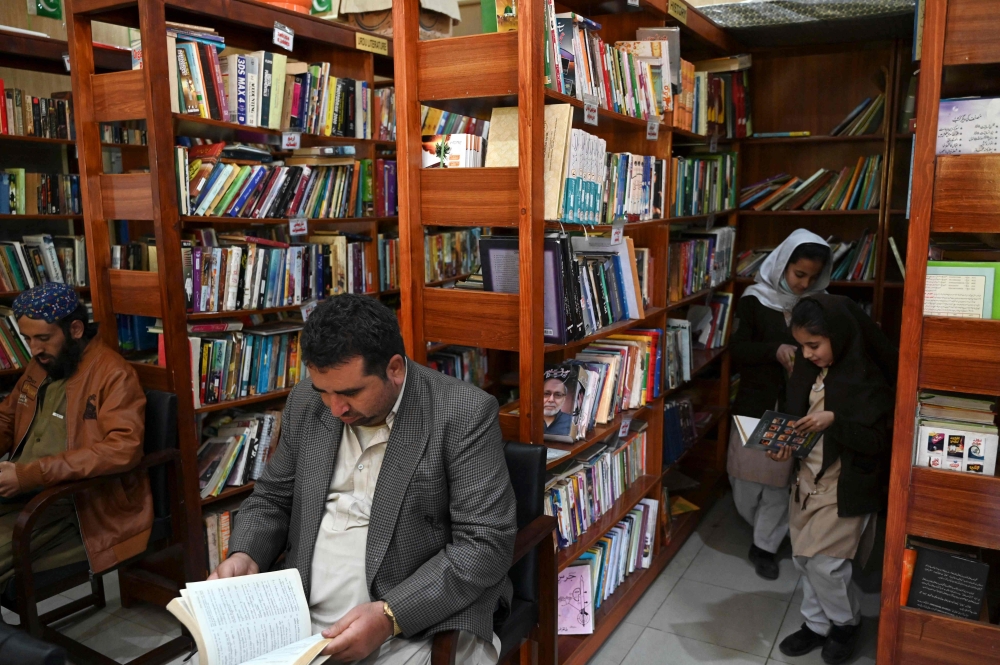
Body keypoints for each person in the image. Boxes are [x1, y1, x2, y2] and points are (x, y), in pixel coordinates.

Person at [216, 294, 517, 665]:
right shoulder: (306, 403)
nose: (335, 408)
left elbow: (485, 545)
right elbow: (273, 498)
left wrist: (391, 616)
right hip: (299, 607)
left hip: (418, 616)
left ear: (394, 369)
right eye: (323, 390)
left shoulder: (462, 413)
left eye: (350, 392)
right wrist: (246, 553)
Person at [0, 283, 151, 590]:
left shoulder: (112, 373)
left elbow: (123, 448)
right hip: (25, 494)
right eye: (28, 339)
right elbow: (7, 417)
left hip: (79, 507)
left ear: (76, 329)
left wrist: (29, 475)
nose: (34, 349)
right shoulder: (41, 365)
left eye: (43, 338)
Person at [772, 294, 897, 664]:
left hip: (845, 484)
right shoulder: (808, 371)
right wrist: (783, 447)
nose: (808, 354)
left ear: (838, 336)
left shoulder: (866, 377)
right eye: (802, 346)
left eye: (814, 345)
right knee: (803, 560)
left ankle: (845, 623)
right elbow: (797, 423)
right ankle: (816, 625)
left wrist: (835, 421)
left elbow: (877, 441)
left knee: (825, 563)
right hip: (806, 480)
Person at [729, 229, 831, 580]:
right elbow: (739, 349)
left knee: (777, 481)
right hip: (754, 401)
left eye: (813, 277)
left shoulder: (820, 305)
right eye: (798, 274)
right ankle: (759, 528)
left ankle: (765, 546)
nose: (804, 284)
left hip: (795, 406)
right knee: (744, 478)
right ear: (782, 265)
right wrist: (774, 350)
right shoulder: (754, 299)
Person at [542, 372, 574, 436]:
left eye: (558, 395)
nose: (551, 400)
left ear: (564, 399)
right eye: (546, 394)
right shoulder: (528, 419)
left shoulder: (572, 422)